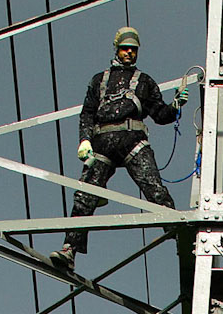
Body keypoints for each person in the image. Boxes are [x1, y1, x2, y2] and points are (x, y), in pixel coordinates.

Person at [49, 27, 186, 276]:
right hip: (103, 142)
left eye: (133, 50)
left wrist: (175, 106)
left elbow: (160, 114)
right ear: (117, 49)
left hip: (133, 140)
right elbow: (87, 113)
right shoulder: (99, 80)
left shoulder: (144, 82)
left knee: (154, 189)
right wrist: (84, 140)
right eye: (125, 49)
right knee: (85, 196)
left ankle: (180, 236)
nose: (129, 53)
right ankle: (69, 250)